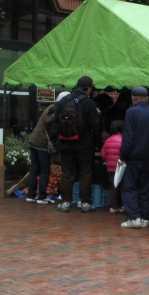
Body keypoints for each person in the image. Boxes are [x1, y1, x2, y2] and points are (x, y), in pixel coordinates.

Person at [51, 76, 102, 213]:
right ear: (89, 88)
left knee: (66, 172)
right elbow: (94, 124)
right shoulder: (89, 103)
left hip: (65, 142)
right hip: (84, 144)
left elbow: (56, 121)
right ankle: (85, 202)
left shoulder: (64, 100)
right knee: (85, 172)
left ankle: (65, 201)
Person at [119, 87, 149, 228]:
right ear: (146, 97)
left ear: (133, 98)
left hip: (133, 157)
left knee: (129, 187)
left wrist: (123, 156)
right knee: (145, 188)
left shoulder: (131, 112)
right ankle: (144, 217)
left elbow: (128, 137)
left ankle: (133, 217)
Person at [26, 94, 63, 204]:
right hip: (42, 143)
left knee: (34, 169)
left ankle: (31, 195)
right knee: (45, 170)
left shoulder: (50, 107)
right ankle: (42, 196)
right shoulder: (56, 112)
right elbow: (53, 130)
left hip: (33, 140)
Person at [101, 119, 124, 213]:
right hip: (122, 167)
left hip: (110, 167)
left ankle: (113, 207)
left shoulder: (107, 140)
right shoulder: (124, 139)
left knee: (113, 186)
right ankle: (124, 205)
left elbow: (103, 155)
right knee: (124, 186)